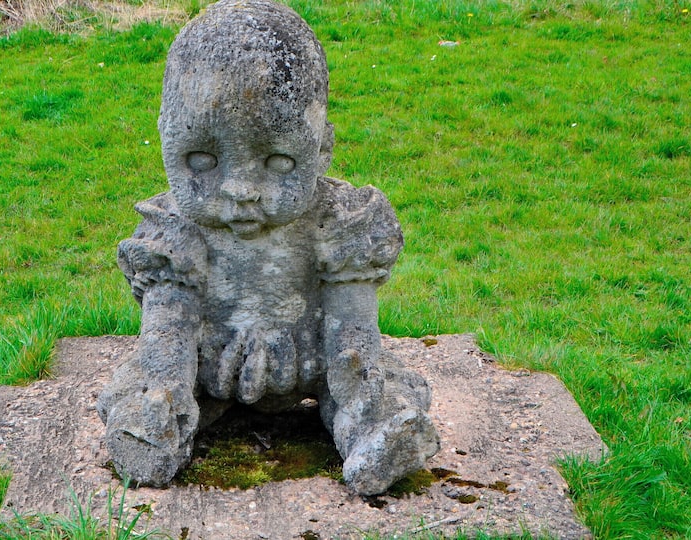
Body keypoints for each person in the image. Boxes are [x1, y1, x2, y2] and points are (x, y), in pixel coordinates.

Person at [97, 0, 438, 496]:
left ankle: (375, 437)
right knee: (150, 392)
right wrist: (164, 392)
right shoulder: (173, 232)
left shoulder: (338, 223)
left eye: (278, 162)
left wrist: (359, 396)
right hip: (205, 365)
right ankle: (156, 435)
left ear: (321, 149)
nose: (240, 190)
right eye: (202, 160)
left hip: (315, 358)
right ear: (165, 137)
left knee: (368, 387)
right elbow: (167, 336)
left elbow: (352, 338)